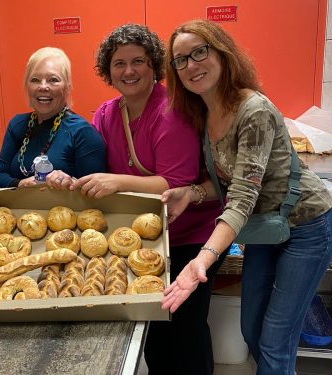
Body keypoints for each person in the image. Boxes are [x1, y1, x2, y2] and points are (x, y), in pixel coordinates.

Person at [162, 19, 332, 374]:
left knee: (275, 339)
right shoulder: (204, 112)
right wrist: (192, 192)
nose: (191, 65)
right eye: (180, 60)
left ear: (222, 53)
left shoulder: (253, 110)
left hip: (309, 225)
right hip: (265, 227)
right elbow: (230, 180)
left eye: (199, 52)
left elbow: (243, 194)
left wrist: (204, 258)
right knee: (252, 328)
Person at [70, 24, 223, 375]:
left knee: (185, 327)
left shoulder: (172, 109)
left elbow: (176, 184)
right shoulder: (107, 114)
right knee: (153, 331)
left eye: (138, 61)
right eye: (118, 63)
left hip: (188, 236)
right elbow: (91, 168)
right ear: (107, 71)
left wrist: (116, 182)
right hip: (145, 239)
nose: (128, 71)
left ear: (154, 64)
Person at [0, 47, 106, 189]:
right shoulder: (17, 124)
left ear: (67, 87)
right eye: (35, 80)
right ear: (27, 86)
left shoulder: (82, 133)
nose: (43, 87)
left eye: (53, 80)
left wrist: (70, 183)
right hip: (18, 210)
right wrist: (20, 184)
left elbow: (95, 193)